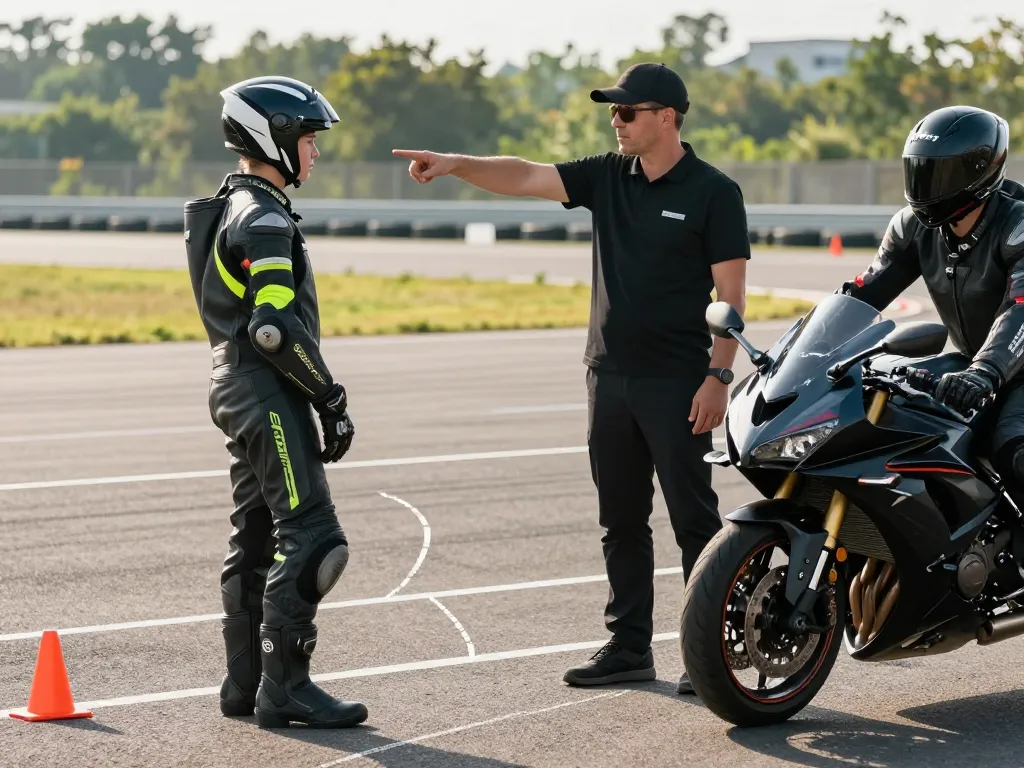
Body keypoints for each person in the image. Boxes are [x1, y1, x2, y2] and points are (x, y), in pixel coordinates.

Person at [393, 62, 751, 695]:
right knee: (620, 521)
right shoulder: (608, 177)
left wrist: (718, 377)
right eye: (611, 113)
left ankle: (713, 652)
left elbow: (731, 296)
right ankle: (629, 647)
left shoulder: (714, 192)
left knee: (694, 522)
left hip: (677, 383)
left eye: (626, 112)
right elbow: (527, 174)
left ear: (666, 117)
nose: (615, 122)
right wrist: (455, 162)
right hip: (606, 377)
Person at [182, 75, 367, 729]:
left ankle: (247, 685)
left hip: (234, 384)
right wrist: (329, 396)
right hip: (264, 389)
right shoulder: (262, 217)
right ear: (277, 137)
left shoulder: (235, 204)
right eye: (310, 140)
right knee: (315, 539)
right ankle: (286, 688)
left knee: (256, 536)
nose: (315, 152)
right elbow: (273, 327)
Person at [837, 105, 1024, 487]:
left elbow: (1019, 310)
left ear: (979, 174)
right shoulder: (913, 227)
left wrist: (984, 372)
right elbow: (861, 294)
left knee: (1013, 447)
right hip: (970, 367)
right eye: (920, 171)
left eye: (940, 174)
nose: (926, 187)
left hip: (1008, 369)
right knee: (888, 416)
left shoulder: (1017, 225)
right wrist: (800, 354)